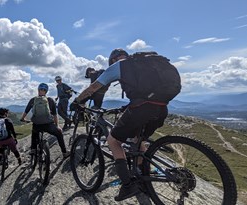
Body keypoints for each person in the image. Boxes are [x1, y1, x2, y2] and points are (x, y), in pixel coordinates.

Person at [73, 48, 180, 201]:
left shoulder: (118, 66)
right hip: (161, 107)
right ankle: (144, 177)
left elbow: (93, 88)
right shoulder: (142, 64)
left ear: (113, 60)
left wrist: (77, 101)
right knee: (138, 141)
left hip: (142, 108)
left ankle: (128, 185)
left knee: (113, 141)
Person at [20, 83, 70, 158]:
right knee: (59, 134)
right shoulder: (50, 100)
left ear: (38, 90)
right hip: (48, 125)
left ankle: (33, 149)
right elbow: (55, 115)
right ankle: (64, 152)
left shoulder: (33, 100)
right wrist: (57, 126)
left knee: (34, 132)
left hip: (37, 125)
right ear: (46, 91)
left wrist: (23, 119)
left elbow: (26, 111)